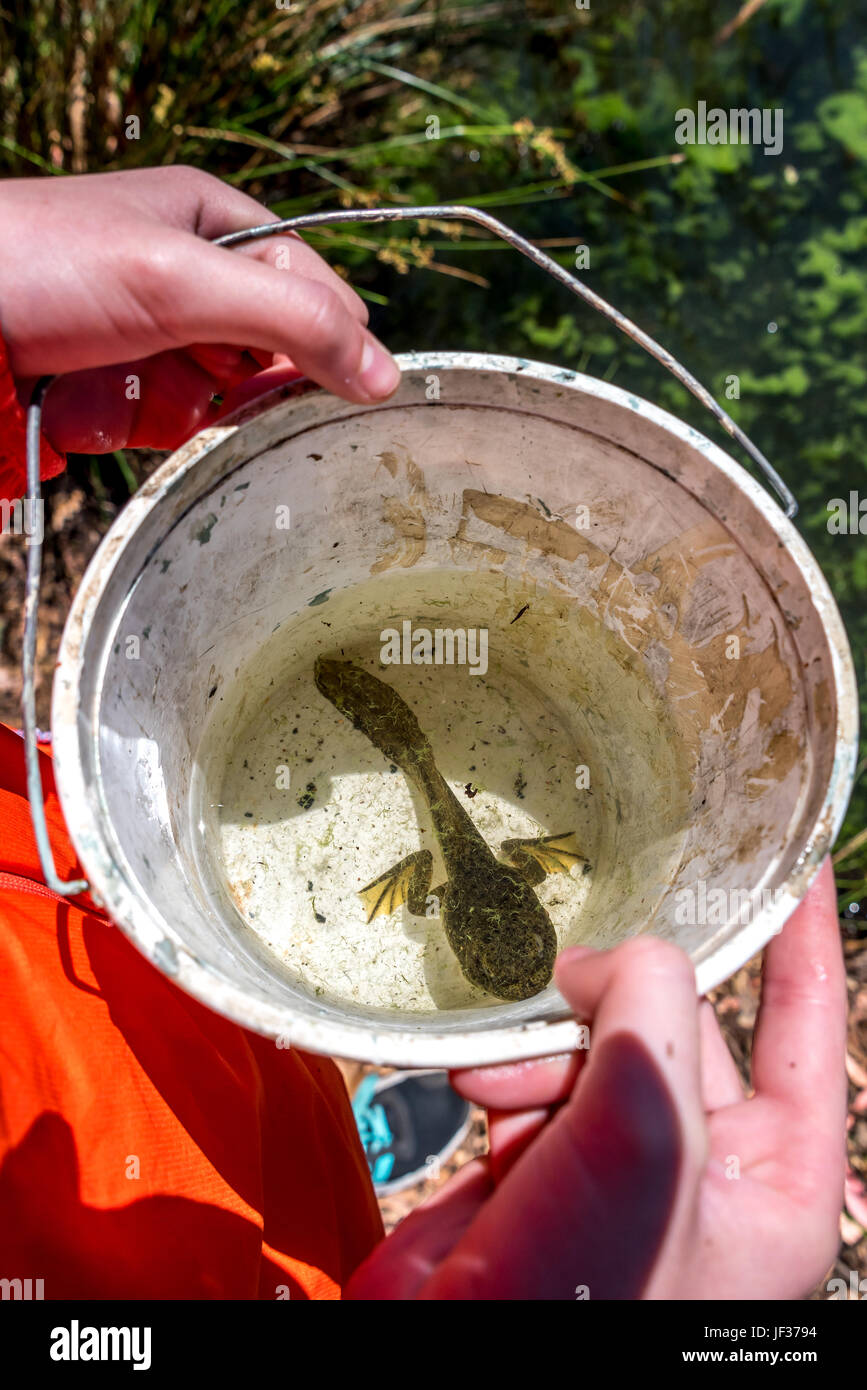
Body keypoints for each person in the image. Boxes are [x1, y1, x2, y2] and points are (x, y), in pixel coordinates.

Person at [0, 167, 848, 1300]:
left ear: (458, 896)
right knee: (268, 1114)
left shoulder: (482, 878)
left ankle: (318, 1099)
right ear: (492, 884)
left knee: (268, 1094)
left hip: (56, 900)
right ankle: (339, 1112)